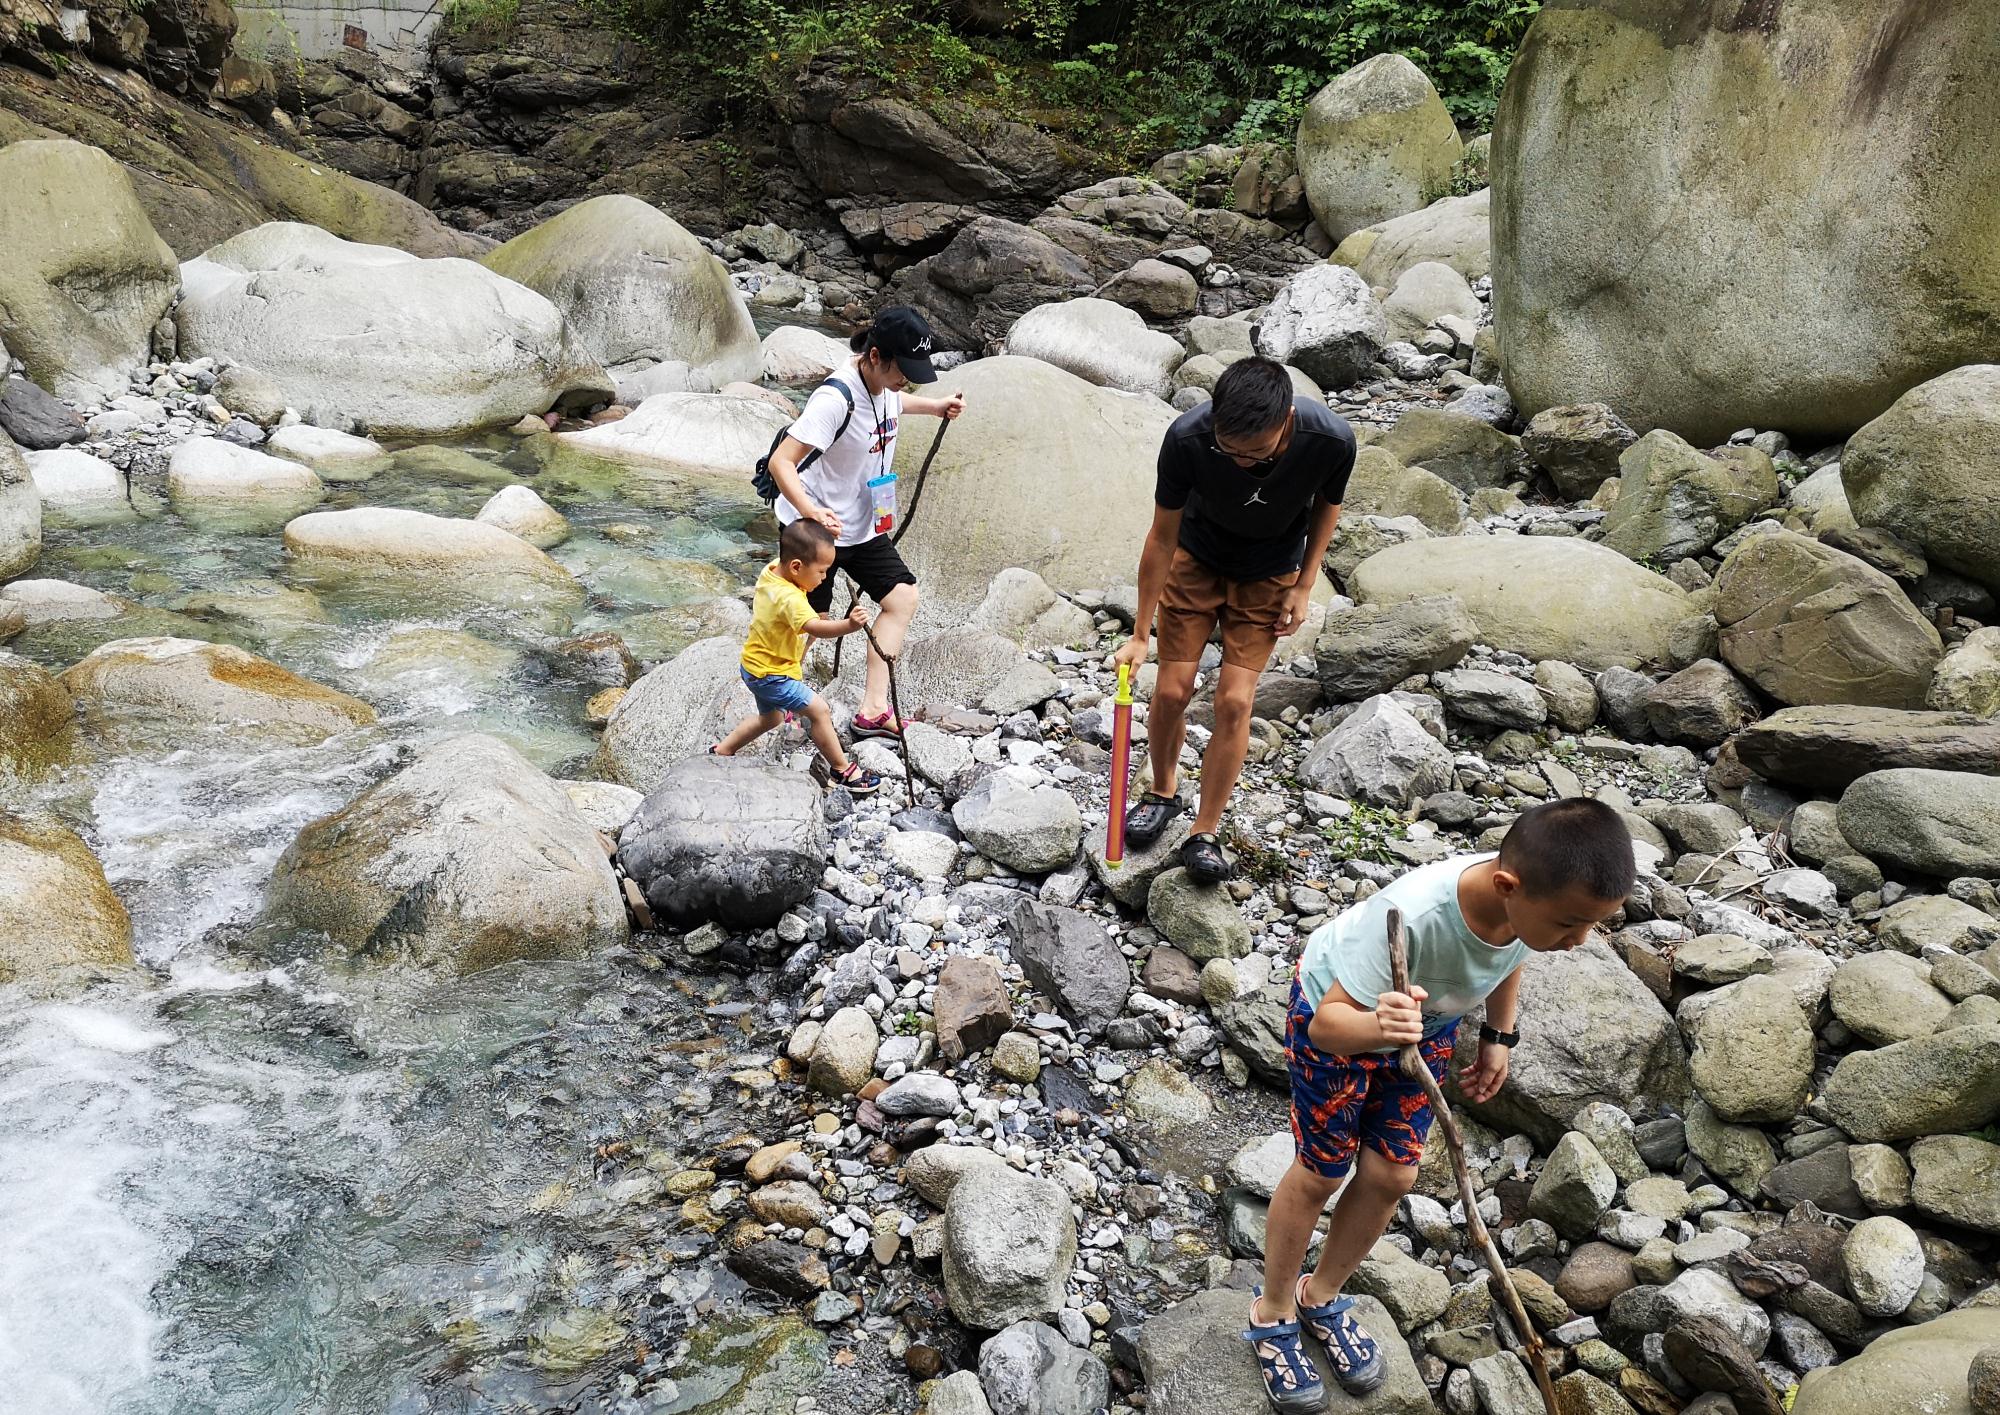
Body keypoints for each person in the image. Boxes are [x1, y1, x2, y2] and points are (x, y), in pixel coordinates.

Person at [1243, 798, 1636, 1410]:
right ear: (1508, 886)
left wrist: (1498, 1036)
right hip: (1346, 1020)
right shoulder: (1413, 913)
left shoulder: (1525, 906)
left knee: (1394, 1173)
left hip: (1422, 1026)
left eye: (1592, 925)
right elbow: (1326, 1027)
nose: (1579, 941)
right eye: (1570, 924)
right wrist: (1380, 1027)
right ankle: (1271, 1312)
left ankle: (1319, 1295)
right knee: (1321, 1171)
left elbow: (1511, 955)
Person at [1112, 357, 1353, 884]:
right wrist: (1139, 633)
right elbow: (1160, 537)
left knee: (1236, 700)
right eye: (1230, 450)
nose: (1241, 461)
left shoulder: (1331, 441)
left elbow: (1326, 508)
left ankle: (1206, 829)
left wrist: (1305, 584)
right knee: (1172, 692)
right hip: (1196, 560)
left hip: (1268, 572)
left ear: (1286, 419)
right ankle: (1163, 792)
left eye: (1256, 452)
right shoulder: (1188, 438)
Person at [767, 305, 965, 743]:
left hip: (862, 525)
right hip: (815, 528)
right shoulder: (834, 398)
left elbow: (894, 400)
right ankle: (775, 697)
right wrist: (811, 512)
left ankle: (873, 711)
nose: (907, 380)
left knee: (902, 599)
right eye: (903, 370)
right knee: (811, 620)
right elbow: (783, 463)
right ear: (875, 356)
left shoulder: (886, 386)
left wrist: (934, 406)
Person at [713, 518, 882, 794]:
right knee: (820, 710)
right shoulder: (789, 599)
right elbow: (816, 626)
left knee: (772, 719)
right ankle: (843, 771)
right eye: (822, 572)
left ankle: (723, 750)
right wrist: (850, 625)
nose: (824, 578)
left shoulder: (771, 572)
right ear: (796, 567)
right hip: (772, 676)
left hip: (753, 667)